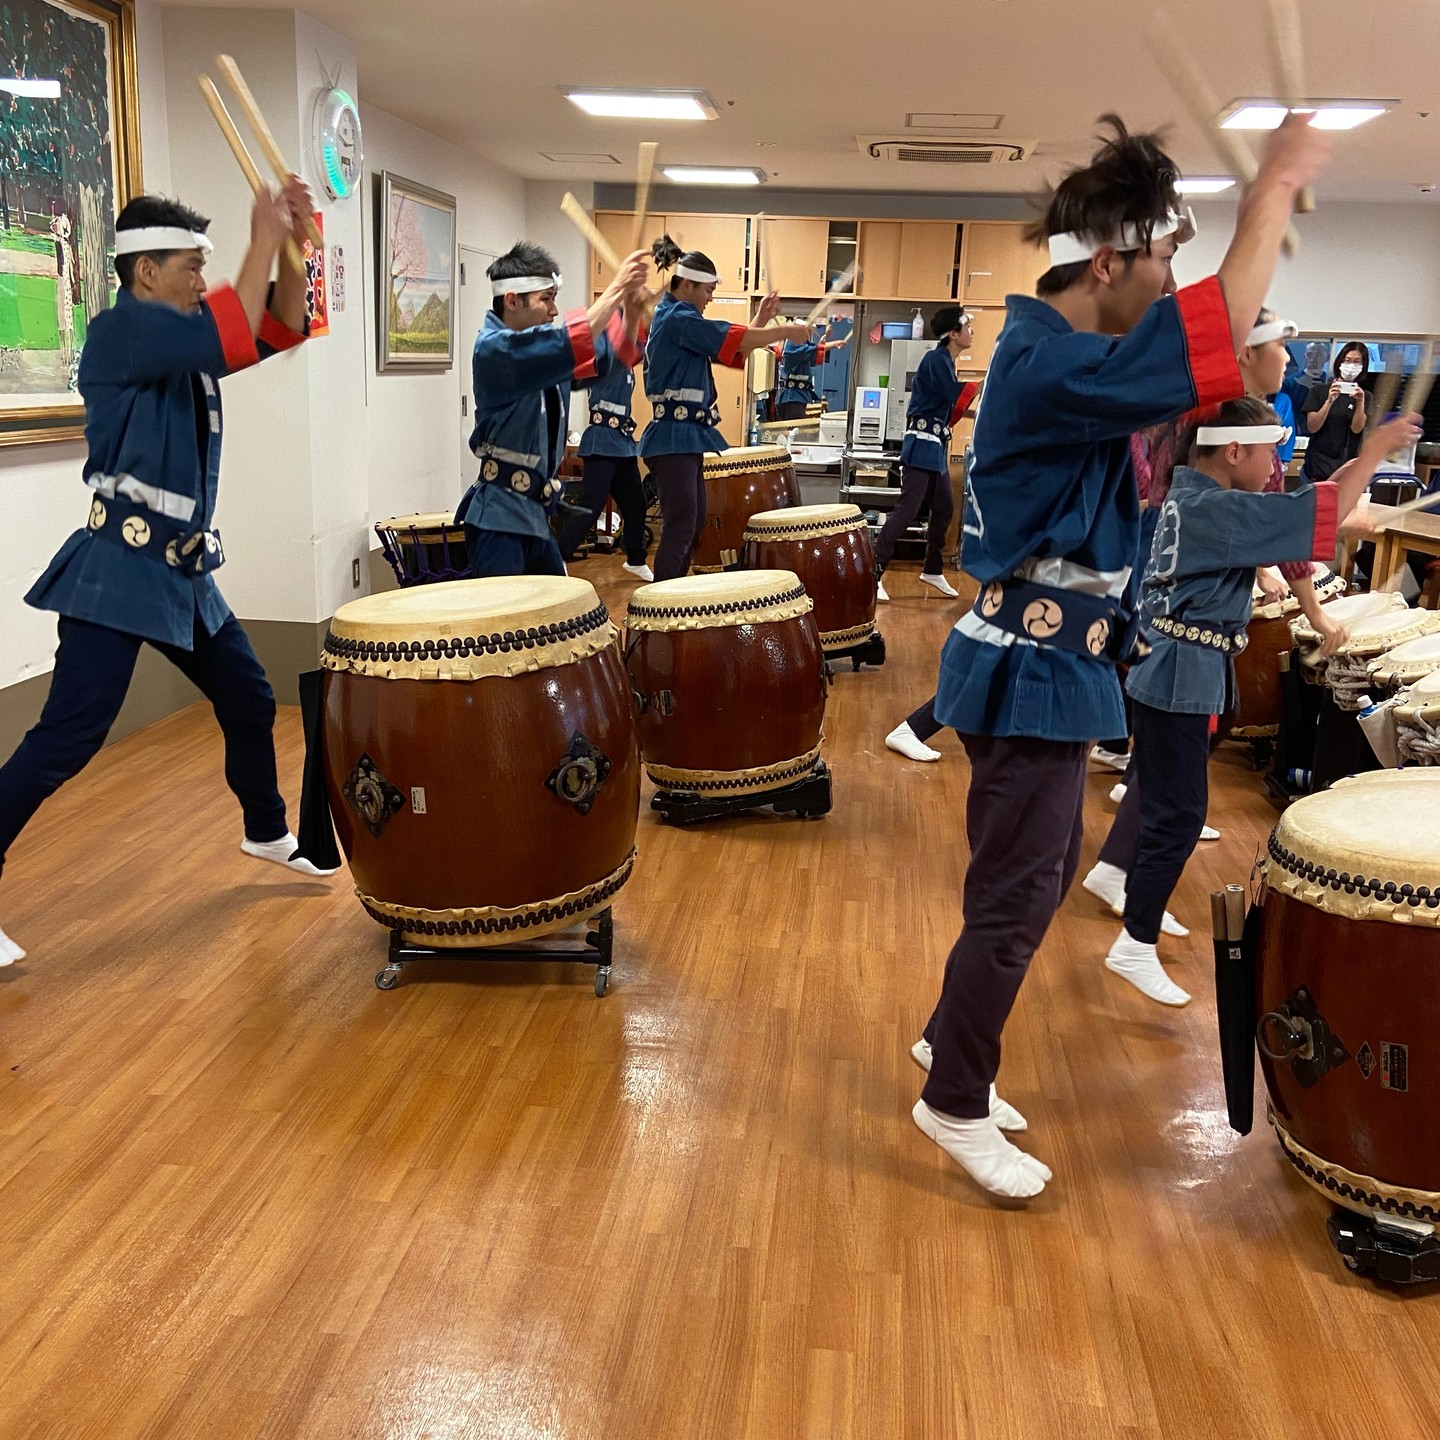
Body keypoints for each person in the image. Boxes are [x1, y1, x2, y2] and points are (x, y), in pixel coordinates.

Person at [908, 112, 1329, 1201]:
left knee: (1042, 872)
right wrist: (1273, 185)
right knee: (1013, 895)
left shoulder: (1063, 360)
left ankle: (942, 1043)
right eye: (1162, 258)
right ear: (1109, 260)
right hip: (1029, 670)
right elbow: (1216, 335)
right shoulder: (1051, 364)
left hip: (1060, 664)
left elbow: (1215, 358)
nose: (1170, 278)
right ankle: (952, 1097)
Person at [0, 183, 331, 966]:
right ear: (144, 271)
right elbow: (232, 324)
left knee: (250, 697)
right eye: (189, 266)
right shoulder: (122, 333)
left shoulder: (177, 343)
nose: (199, 280)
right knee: (69, 736)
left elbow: (281, 327)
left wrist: (297, 249)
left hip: (181, 571)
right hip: (117, 570)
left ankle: (263, 830)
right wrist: (261, 234)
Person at [1092, 397, 1420, 1005]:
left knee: (1171, 805)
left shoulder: (1197, 498)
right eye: (1270, 449)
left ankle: (1134, 901)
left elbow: (1316, 502)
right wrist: (1373, 451)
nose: (1276, 461)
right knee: (1180, 814)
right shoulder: (1216, 511)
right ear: (1234, 451)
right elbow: (1315, 508)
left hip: (1181, 669)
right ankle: (1134, 941)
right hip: (1178, 675)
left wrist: (1356, 483)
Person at [458, 241, 651, 577]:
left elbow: (608, 364)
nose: (553, 310)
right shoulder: (495, 351)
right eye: (545, 299)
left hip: (534, 516)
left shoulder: (541, 355)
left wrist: (631, 312)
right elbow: (568, 340)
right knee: (506, 626)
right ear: (512, 300)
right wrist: (618, 287)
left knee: (560, 621)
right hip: (499, 520)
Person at [641, 237, 810, 582]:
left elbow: (734, 348)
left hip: (684, 437)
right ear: (686, 285)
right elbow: (735, 340)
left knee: (692, 521)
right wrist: (786, 330)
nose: (709, 300)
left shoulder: (679, 318)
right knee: (682, 525)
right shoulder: (677, 318)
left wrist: (762, 316)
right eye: (707, 291)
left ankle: (672, 593)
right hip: (672, 437)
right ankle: (660, 604)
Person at [872, 306, 980, 602]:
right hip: (921, 445)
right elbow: (953, 393)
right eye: (968, 327)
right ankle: (873, 572)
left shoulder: (945, 362)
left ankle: (932, 568)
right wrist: (991, 383)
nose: (973, 332)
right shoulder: (936, 359)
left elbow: (953, 405)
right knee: (908, 509)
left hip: (934, 447)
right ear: (954, 333)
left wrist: (981, 414)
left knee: (944, 507)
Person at [555, 345, 654, 582]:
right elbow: (579, 370)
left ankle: (635, 558)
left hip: (621, 442)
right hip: (602, 440)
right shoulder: (607, 345)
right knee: (593, 503)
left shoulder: (629, 355)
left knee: (636, 504)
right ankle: (558, 556)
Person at [1301, 341, 1369, 481]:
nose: (1351, 366)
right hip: (1318, 468)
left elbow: (1357, 429)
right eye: (1348, 360)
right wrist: (1329, 401)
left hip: (1347, 470)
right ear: (1340, 362)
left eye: (1357, 362)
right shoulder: (1319, 391)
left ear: (1363, 367)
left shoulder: (1365, 396)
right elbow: (1312, 427)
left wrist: (1360, 402)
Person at [774, 318, 849, 420]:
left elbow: (813, 355)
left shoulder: (797, 346)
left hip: (798, 397)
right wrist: (835, 344)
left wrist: (825, 339)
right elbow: (813, 351)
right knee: (794, 431)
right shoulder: (792, 346)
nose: (809, 335)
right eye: (807, 332)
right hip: (792, 398)